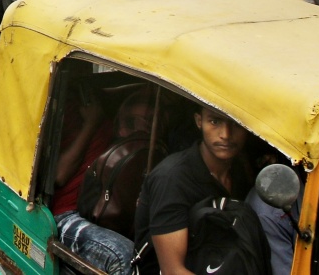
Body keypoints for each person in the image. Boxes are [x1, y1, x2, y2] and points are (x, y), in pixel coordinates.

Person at [133, 106, 252, 275]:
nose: (225, 134)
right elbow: (173, 271)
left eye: (236, 123)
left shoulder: (239, 170)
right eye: (214, 121)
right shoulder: (172, 178)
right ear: (199, 121)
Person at [52, 89, 157, 275]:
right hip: (67, 213)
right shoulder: (63, 109)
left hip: (103, 209)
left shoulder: (104, 109)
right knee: (124, 257)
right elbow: (59, 175)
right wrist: (91, 122)